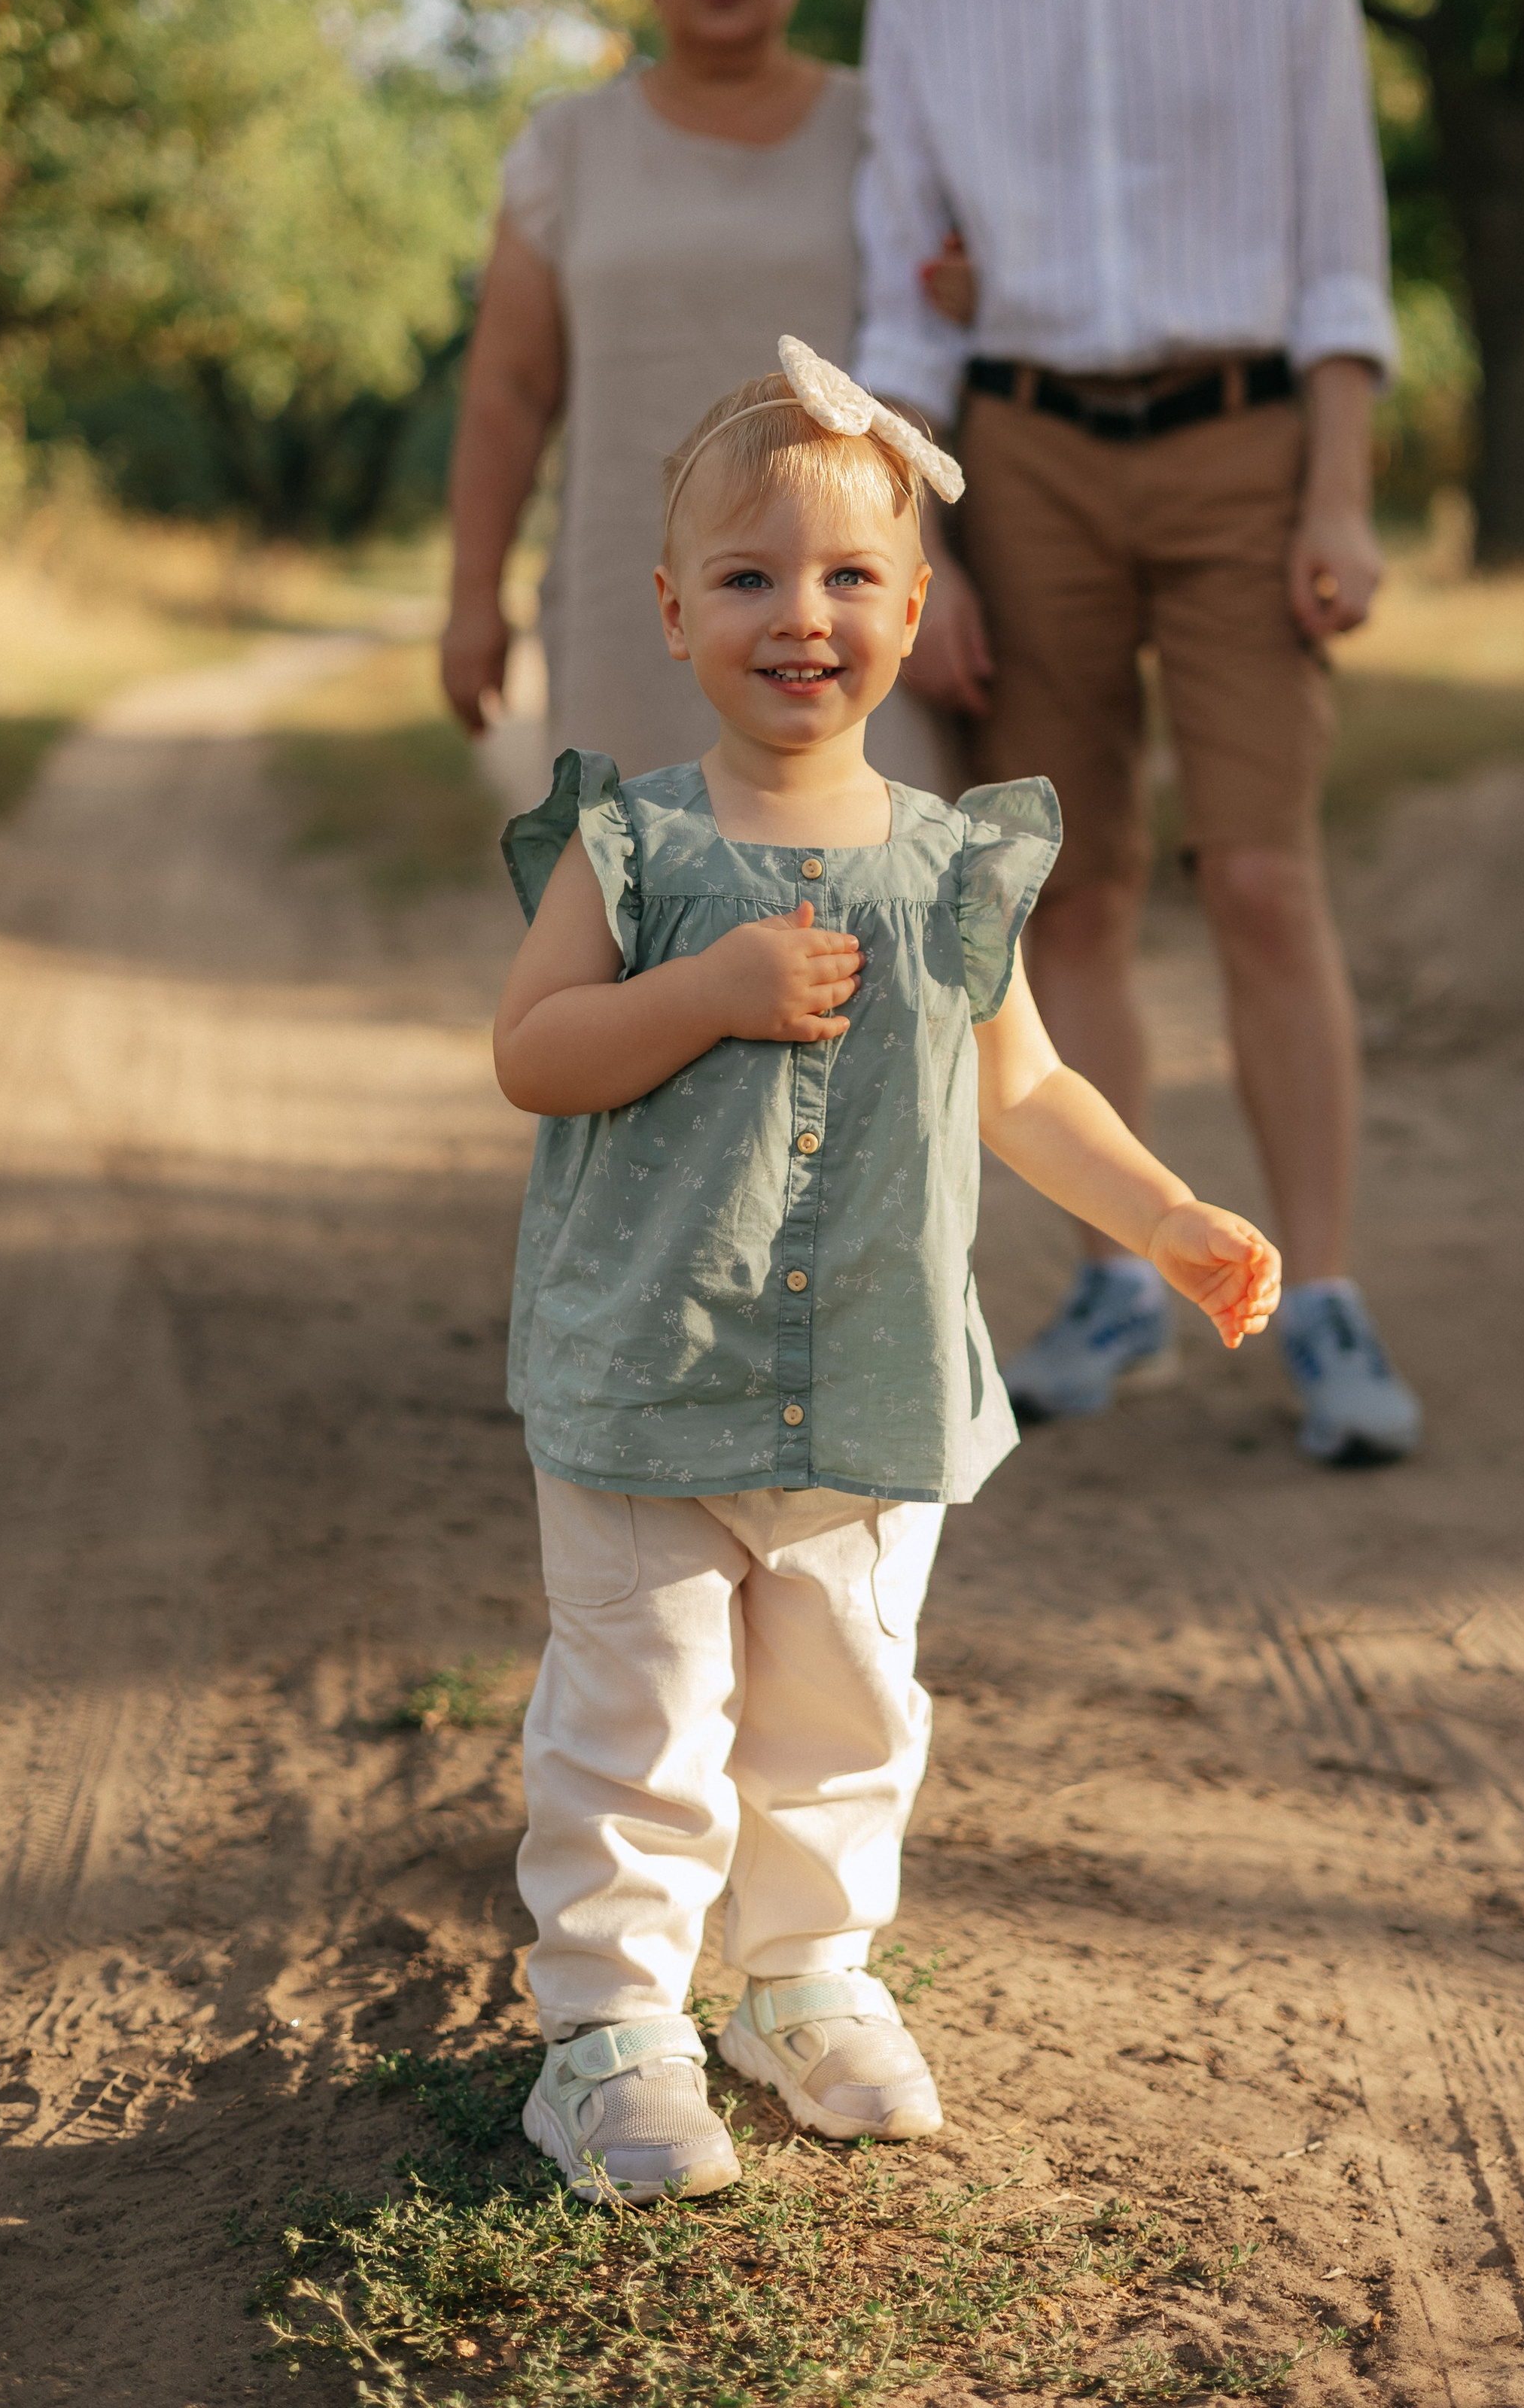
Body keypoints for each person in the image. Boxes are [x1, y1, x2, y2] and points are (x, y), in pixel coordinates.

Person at [491, 338, 1281, 2199]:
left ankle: (802, 1981)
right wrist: (697, 994)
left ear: (917, 612)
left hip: (868, 1377)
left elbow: (1027, 1086)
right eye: (751, 577)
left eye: (850, 577)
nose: (801, 615)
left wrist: (1164, 1215)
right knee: (641, 1718)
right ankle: (608, 2034)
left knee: (847, 1713)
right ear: (673, 608)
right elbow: (534, 1054)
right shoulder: (633, 844)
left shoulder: (945, 863)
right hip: (647, 1378)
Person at [853, 0, 1422, 1465]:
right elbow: (896, 289)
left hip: (1242, 442)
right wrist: (910, 552)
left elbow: (1342, 261)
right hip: (1015, 455)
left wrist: (1335, 493)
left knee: (1258, 873)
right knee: (1066, 886)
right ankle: (1125, 1274)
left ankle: (1322, 1297)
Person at [440, 0, 946, 789]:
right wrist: (472, 598)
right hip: (635, 592)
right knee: (639, 902)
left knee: (869, 893)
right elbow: (507, 391)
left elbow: (948, 334)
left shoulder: (886, 129)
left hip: (850, 594)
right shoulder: (567, 148)